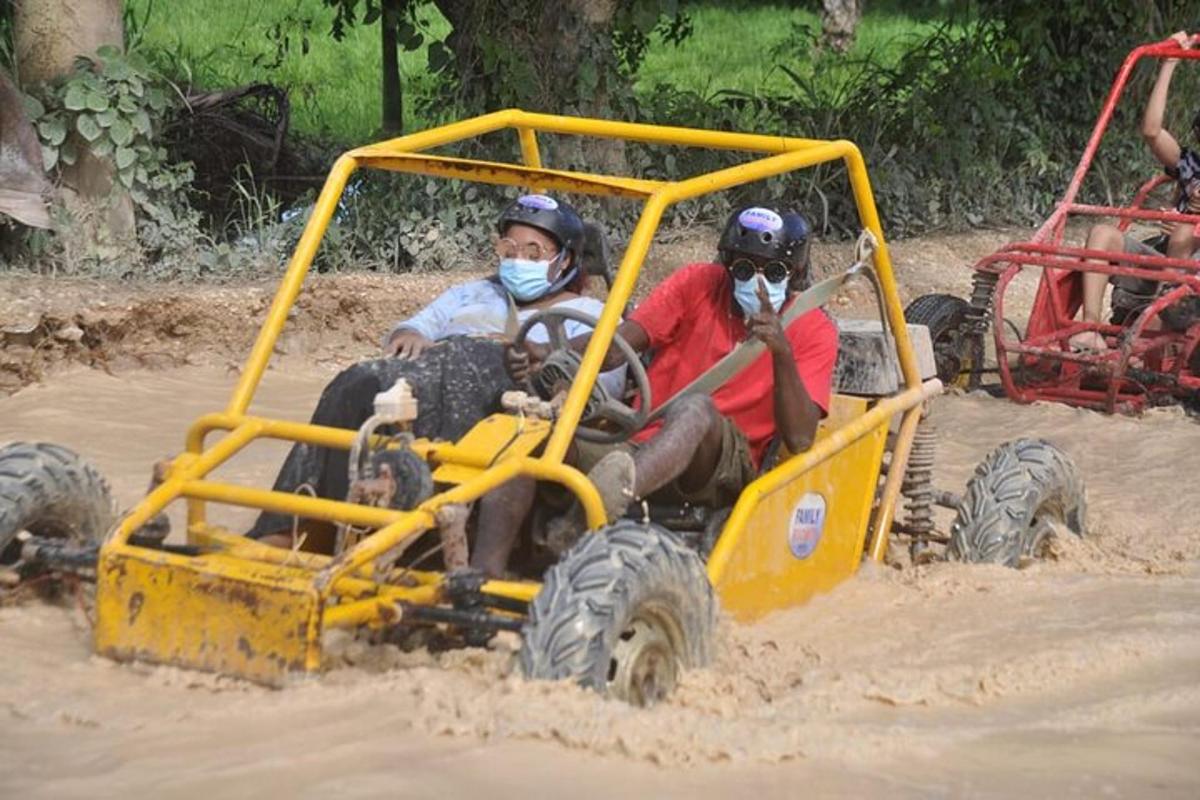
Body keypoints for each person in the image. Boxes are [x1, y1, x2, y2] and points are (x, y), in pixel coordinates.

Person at [469, 205, 840, 578]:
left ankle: (590, 517)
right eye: (744, 269)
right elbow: (616, 348)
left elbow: (801, 437)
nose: (757, 281)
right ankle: (480, 576)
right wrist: (549, 354)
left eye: (772, 271)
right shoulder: (698, 282)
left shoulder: (812, 329)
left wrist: (781, 352)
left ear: (795, 274)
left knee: (696, 408)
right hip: (642, 440)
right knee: (531, 431)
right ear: (727, 264)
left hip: (721, 465)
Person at [248, 194, 625, 546]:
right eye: (509, 250)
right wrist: (408, 335)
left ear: (567, 261)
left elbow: (599, 386)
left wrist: (530, 358)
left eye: (534, 252)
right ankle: (287, 527)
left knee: (472, 374)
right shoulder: (470, 293)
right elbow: (417, 326)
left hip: (510, 391)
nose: (517, 260)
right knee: (354, 384)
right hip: (434, 370)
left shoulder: (590, 315)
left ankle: (417, 530)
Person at [1072, 30, 1200, 352]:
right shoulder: (1191, 164)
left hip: (1190, 274)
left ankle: (1163, 321)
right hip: (1169, 261)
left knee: (1185, 232)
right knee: (1102, 233)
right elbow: (1152, 131)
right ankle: (1091, 328)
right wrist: (1169, 63)